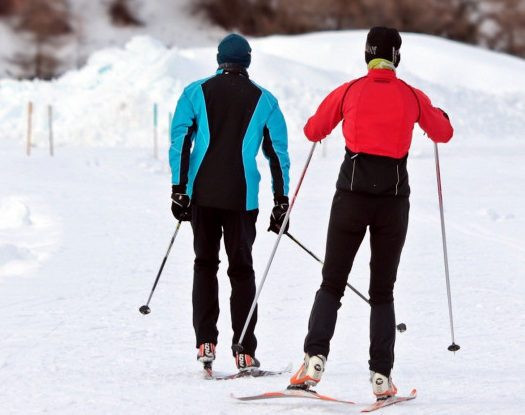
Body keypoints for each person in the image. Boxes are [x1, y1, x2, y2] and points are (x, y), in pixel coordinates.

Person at [289, 27, 453, 399]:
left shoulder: (349, 90)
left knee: (332, 282)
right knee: (382, 291)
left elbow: (313, 130)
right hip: (393, 203)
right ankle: (381, 376)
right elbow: (443, 133)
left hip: (350, 199)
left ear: (367, 55)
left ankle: (314, 360)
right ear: (396, 56)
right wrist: (438, 114)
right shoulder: (411, 95)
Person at [168, 33, 291, 372]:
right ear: (247, 61)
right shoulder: (264, 100)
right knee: (241, 271)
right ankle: (244, 351)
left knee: (204, 265)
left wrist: (179, 189)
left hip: (202, 196)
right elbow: (277, 155)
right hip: (242, 198)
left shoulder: (194, 92)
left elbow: (181, 141)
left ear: (219, 59)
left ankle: (205, 343)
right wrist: (282, 201)